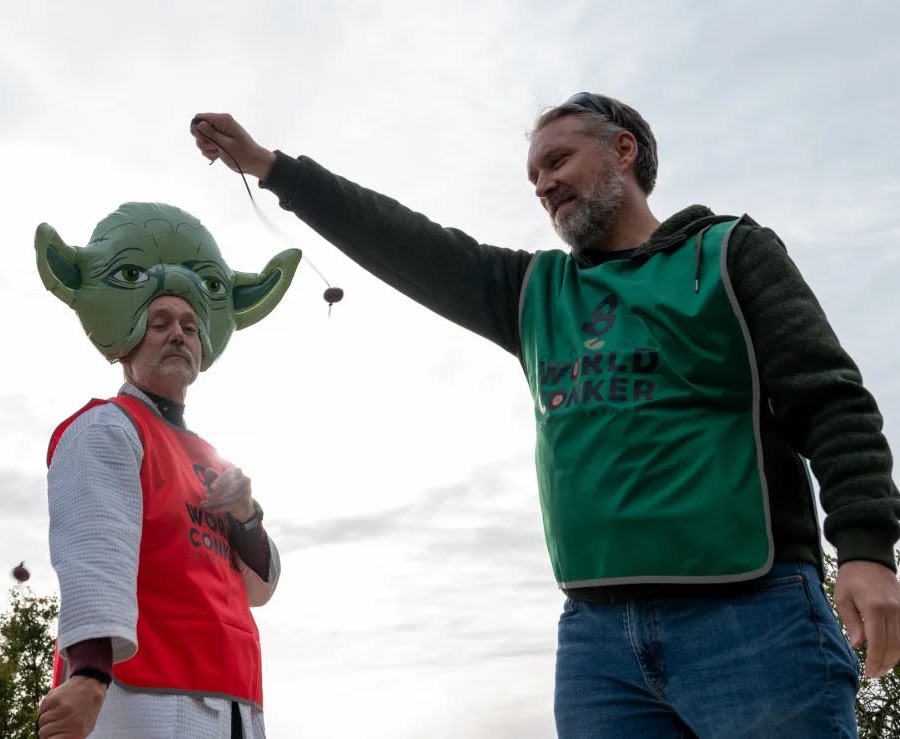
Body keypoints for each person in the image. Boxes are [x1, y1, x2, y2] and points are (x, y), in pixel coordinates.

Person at [190, 98, 900, 737]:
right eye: (533, 176)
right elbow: (407, 241)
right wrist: (270, 167)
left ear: (624, 152)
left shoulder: (728, 253)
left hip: (754, 620)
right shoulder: (534, 290)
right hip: (598, 645)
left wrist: (865, 547)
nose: (543, 184)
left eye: (558, 160)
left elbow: (828, 396)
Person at [33, 202, 301, 739]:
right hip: (144, 699)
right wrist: (87, 673)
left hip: (236, 701)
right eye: (159, 324)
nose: (178, 334)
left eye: (188, 325)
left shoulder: (212, 457)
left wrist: (246, 514)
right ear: (127, 338)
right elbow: (94, 548)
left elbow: (262, 586)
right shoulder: (108, 427)